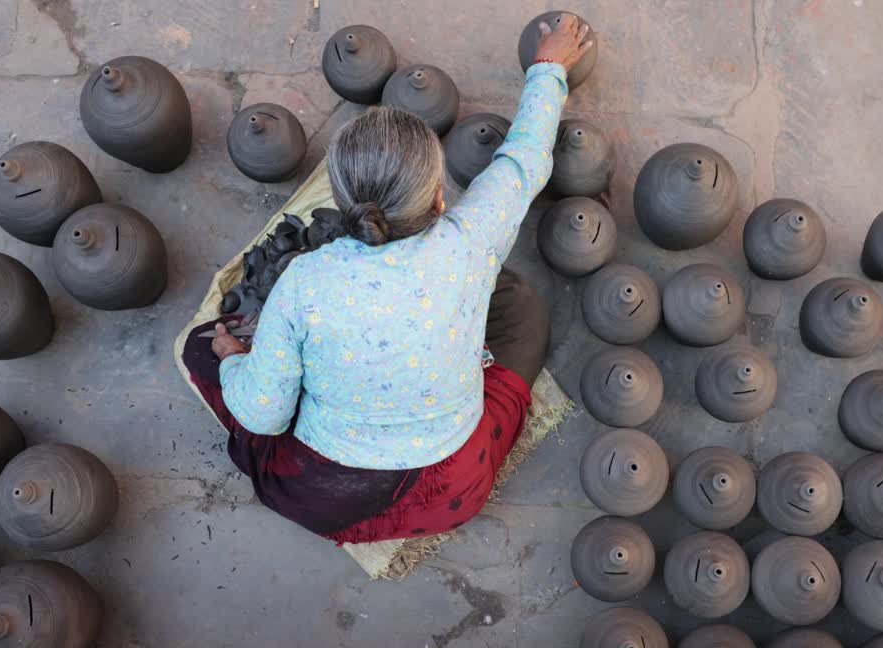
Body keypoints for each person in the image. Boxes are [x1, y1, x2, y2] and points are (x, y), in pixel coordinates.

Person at [180, 16, 593, 544]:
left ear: (341, 201)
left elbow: (264, 415)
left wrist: (232, 358)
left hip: (327, 495)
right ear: (441, 199)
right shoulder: (470, 239)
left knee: (204, 347)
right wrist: (549, 66)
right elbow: (526, 158)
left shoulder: (307, 281)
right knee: (521, 305)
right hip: (454, 488)